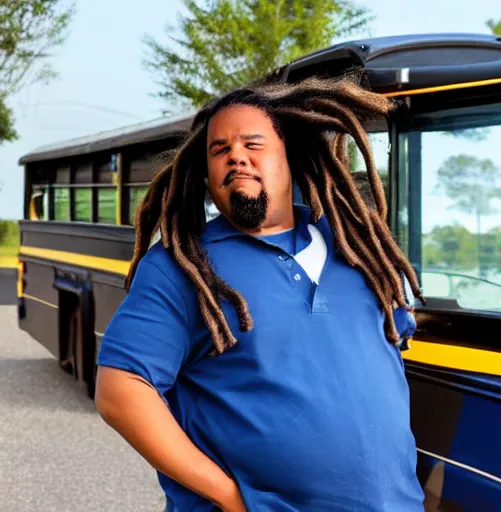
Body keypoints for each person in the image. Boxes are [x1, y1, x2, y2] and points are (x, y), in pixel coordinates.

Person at [95, 76, 425, 512]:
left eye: (253, 144)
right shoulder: (181, 267)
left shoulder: (361, 249)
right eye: (220, 150)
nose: (236, 156)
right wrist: (230, 498)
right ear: (206, 172)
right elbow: (121, 391)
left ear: (289, 156)